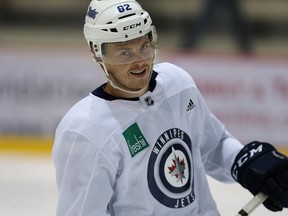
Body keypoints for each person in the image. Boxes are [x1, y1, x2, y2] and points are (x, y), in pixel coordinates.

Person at [52, 0, 288, 215]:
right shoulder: (84, 130)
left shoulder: (177, 84)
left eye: (144, 47)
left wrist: (251, 163)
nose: (139, 61)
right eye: (124, 52)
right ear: (96, 52)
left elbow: (212, 144)